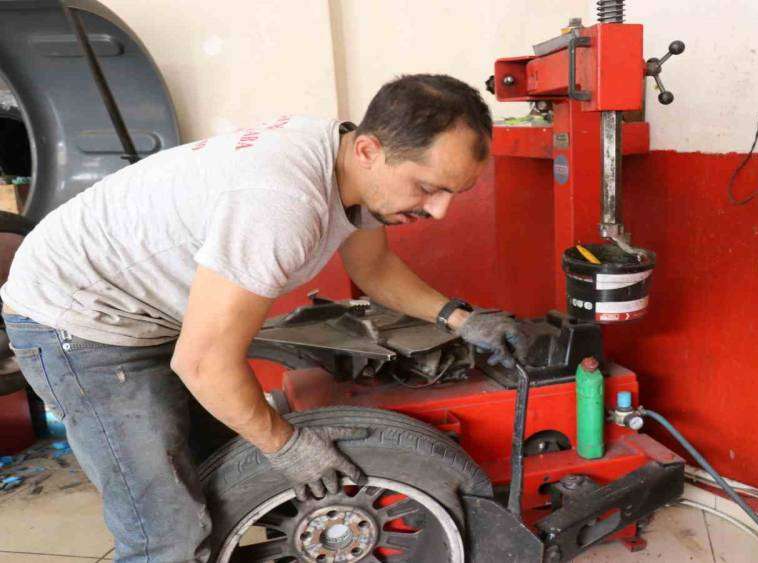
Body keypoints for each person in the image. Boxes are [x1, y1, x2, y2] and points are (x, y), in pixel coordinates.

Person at [1, 74, 526, 561]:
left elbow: (374, 267)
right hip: (78, 321)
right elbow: (203, 364)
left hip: (142, 308)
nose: (438, 211)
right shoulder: (281, 204)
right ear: (369, 150)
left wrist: (460, 319)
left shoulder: (345, 160)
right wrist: (287, 446)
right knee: (167, 527)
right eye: (428, 188)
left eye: (453, 193)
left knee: (222, 476)